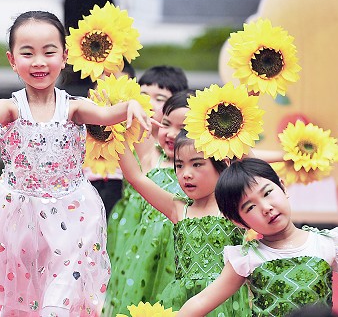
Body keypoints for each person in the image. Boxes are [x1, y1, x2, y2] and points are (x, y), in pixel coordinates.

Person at [0, 10, 152, 316]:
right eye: (27, 53)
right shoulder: (11, 108)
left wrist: (132, 104)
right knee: (23, 303)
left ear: (65, 56)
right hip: (21, 220)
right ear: (12, 60)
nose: (39, 62)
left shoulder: (74, 108)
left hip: (73, 216)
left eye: (49, 52)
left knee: (56, 305)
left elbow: (109, 115)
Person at [177, 158, 338, 316]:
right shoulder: (247, 257)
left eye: (267, 193)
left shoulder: (327, 243)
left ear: (282, 186)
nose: (266, 208)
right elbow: (201, 301)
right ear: (238, 221)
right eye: (250, 207)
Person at [119, 130, 250, 316]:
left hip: (226, 303)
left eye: (197, 164)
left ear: (224, 163)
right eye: (179, 165)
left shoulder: (235, 208)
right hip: (182, 303)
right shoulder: (178, 208)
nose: (186, 174)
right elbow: (136, 177)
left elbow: (251, 166)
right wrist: (111, 132)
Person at [102, 90, 190, 317]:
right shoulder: (152, 155)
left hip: (182, 253)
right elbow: (119, 129)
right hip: (145, 249)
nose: (171, 134)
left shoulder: (205, 171)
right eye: (166, 124)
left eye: (183, 128)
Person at [106, 65, 188, 259]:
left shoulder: (169, 148)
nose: (148, 103)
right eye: (143, 95)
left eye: (159, 98)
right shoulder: (139, 139)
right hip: (132, 225)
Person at [84, 59, 137, 218]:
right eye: (103, 86)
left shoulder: (136, 131)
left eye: (117, 89)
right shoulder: (79, 125)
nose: (108, 96)